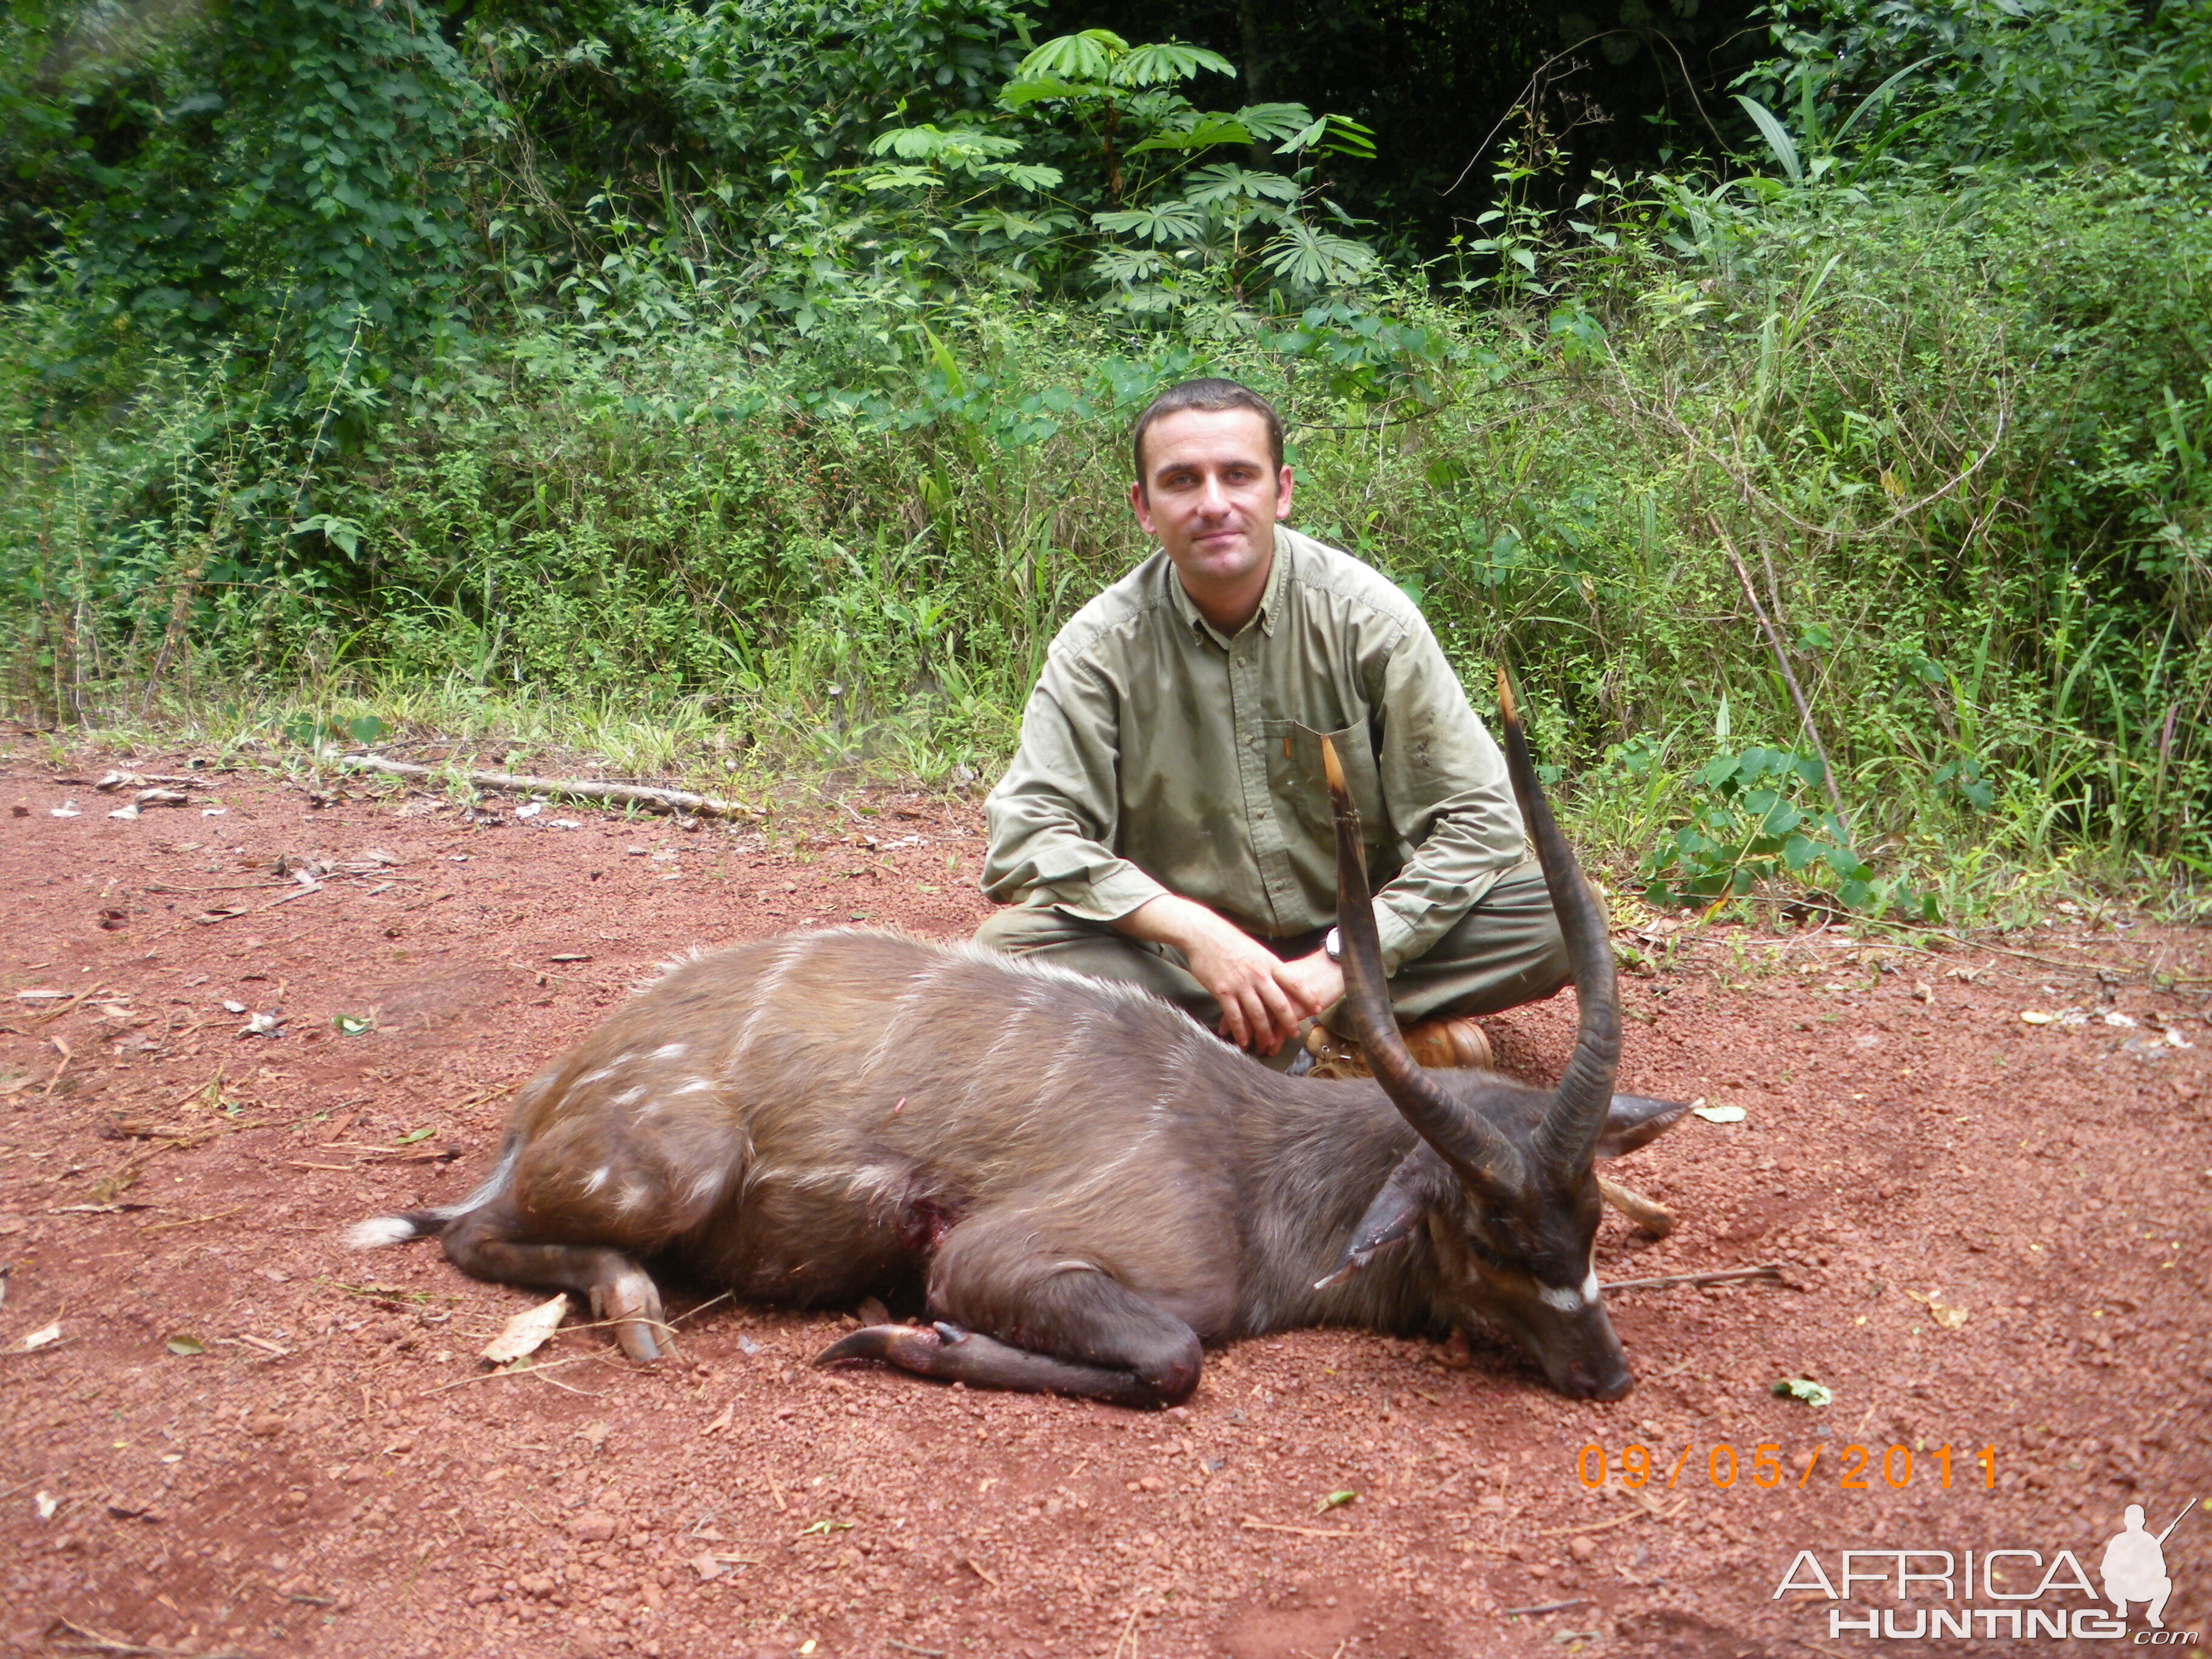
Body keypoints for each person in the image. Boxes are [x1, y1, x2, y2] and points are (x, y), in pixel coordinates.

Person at [975, 377, 1570, 1071]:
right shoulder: (1099, 648)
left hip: (1364, 940)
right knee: (1006, 954)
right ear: (1143, 507)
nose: (1213, 504)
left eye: (1238, 475)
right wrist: (1196, 934)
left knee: (1558, 911)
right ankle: (1350, 1043)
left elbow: (1481, 820)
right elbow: (1027, 835)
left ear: (1281, 491)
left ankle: (1268, 1040)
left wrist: (1344, 959)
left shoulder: (1369, 621)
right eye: (1180, 481)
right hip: (1186, 965)